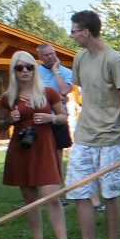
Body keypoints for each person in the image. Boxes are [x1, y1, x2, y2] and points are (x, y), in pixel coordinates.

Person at [63, 10, 120, 239]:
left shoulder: (113, 60)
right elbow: (80, 91)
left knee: (110, 193)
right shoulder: (80, 58)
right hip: (83, 137)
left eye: (73, 31)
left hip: (110, 138)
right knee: (80, 192)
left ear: (86, 32)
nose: (71, 35)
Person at [0, 52, 79, 239]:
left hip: (45, 147)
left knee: (53, 196)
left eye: (29, 67)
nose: (25, 71)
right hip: (21, 149)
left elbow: (63, 116)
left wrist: (51, 119)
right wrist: (9, 120)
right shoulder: (9, 97)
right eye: (19, 67)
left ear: (35, 69)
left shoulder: (48, 92)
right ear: (14, 71)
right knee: (29, 197)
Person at [36, 43, 74, 175]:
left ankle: (57, 185)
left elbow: (65, 90)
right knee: (41, 157)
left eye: (52, 53)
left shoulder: (66, 72)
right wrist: (59, 98)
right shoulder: (34, 72)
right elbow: (33, 93)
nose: (51, 56)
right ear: (40, 57)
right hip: (40, 119)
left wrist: (56, 71)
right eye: (46, 55)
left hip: (59, 119)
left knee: (58, 157)